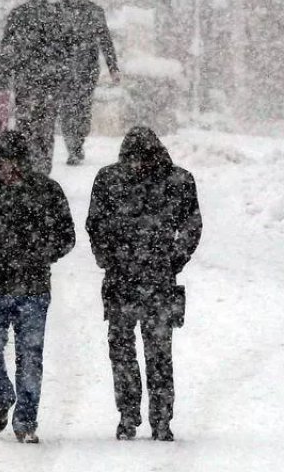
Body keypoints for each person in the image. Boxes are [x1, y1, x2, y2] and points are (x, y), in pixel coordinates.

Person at [0, 131, 75, 444]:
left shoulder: (47, 192)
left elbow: (66, 235)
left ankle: (26, 421)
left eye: (18, 163)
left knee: (30, 357)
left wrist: (40, 255)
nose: (12, 170)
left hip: (33, 289)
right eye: (7, 163)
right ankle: (3, 395)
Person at [85, 127, 202, 442]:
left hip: (157, 282)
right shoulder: (109, 180)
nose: (138, 165)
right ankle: (129, 414)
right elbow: (95, 225)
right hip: (123, 280)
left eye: (144, 159)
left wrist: (172, 261)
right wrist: (109, 259)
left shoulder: (177, 181)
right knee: (123, 352)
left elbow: (192, 226)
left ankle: (161, 419)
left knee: (158, 354)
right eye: (133, 159)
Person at [0, 0, 66, 175]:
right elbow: (65, 50)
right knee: (42, 129)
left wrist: (5, 80)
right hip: (45, 83)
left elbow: (6, 51)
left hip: (29, 83)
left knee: (29, 128)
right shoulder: (55, 14)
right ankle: (41, 171)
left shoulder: (19, 15)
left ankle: (31, 169)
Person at [56, 0, 120, 166]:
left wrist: (113, 67)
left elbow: (106, 42)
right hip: (64, 71)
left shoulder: (94, 12)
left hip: (87, 69)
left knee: (82, 110)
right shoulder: (56, 12)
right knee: (67, 110)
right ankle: (72, 148)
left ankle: (78, 141)